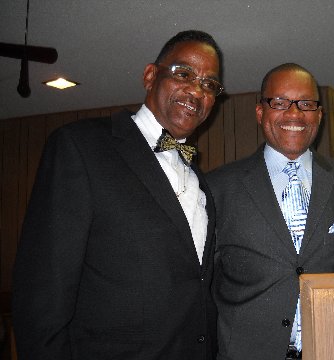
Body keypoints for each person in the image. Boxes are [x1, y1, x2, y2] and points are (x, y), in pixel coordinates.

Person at [12, 30, 223, 360]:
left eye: (210, 84)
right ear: (150, 76)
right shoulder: (81, 147)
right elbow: (41, 296)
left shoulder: (198, 179)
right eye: (184, 73)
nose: (197, 90)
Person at [206, 63, 334, 360]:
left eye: (306, 104)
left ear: (319, 114)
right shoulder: (217, 187)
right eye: (279, 102)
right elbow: (204, 283)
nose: (294, 114)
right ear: (260, 112)